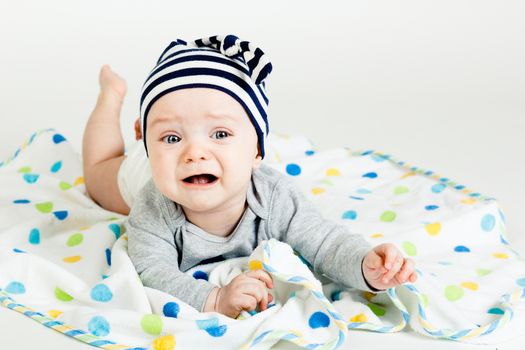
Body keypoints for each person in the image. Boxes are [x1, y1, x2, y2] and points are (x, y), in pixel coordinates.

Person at [82, 34, 417, 319]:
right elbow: (153, 273)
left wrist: (364, 265)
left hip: (216, 158)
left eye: (220, 134)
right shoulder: (152, 207)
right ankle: (110, 99)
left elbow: (325, 242)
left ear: (258, 150)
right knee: (99, 172)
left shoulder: (275, 198)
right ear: (146, 140)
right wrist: (214, 299)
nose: (194, 152)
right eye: (172, 137)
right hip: (144, 173)